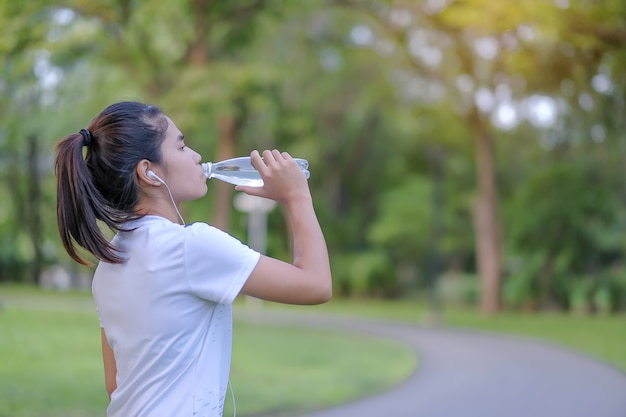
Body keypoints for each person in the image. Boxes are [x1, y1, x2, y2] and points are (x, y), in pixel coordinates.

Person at [55, 101, 332, 417]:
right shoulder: (192, 246)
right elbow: (316, 285)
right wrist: (297, 196)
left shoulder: (111, 259)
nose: (197, 156)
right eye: (182, 147)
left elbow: (115, 384)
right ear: (148, 171)